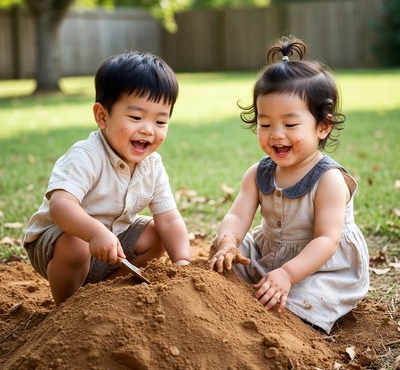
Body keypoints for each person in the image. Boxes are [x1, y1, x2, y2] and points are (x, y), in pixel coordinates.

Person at [209, 36, 369, 334]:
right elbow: (237, 216)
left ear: (323, 126)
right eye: (265, 124)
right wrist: (228, 242)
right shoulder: (258, 173)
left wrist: (288, 273)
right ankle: (234, 296)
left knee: (301, 303)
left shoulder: (328, 180)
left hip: (320, 267)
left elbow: (326, 241)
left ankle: (294, 321)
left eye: (290, 125)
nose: (276, 134)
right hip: (272, 253)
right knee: (226, 258)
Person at [24, 51, 191, 305]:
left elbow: (168, 219)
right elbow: (61, 206)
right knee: (75, 243)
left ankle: (106, 293)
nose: (148, 129)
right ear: (102, 116)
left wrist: (182, 262)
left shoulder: (152, 166)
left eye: (160, 121)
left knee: (156, 234)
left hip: (113, 244)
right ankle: (69, 307)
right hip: (60, 243)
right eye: (136, 117)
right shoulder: (86, 155)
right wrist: (93, 234)